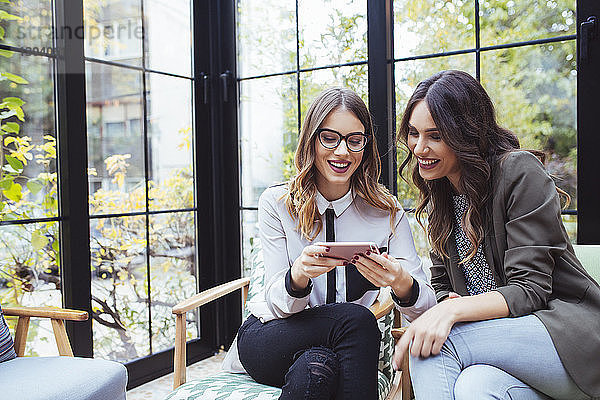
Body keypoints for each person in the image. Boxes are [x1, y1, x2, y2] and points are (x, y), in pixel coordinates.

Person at [393, 70, 600, 400]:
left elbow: (529, 290)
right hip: (506, 350)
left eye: (435, 135)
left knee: (429, 347)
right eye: (414, 134)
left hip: (568, 340)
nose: (419, 148)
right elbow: (444, 286)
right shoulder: (443, 201)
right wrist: (446, 302)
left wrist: (449, 313)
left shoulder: (519, 172)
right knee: (475, 387)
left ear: (466, 132)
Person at [222, 87, 436, 399]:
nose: (342, 152)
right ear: (312, 139)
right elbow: (277, 305)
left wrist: (401, 281)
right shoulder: (278, 203)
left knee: (317, 369)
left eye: (354, 140)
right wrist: (298, 276)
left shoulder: (386, 212)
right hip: (271, 337)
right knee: (357, 320)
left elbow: (426, 306)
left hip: (339, 349)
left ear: (365, 145)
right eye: (330, 138)